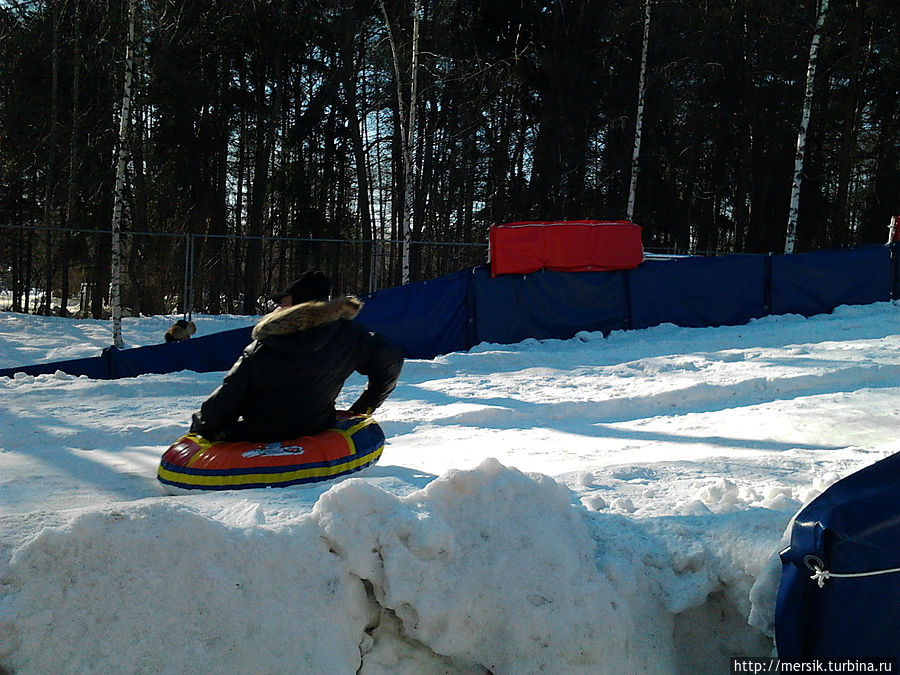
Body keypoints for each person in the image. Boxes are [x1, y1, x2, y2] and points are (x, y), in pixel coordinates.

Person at [189, 271, 403, 442]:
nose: (278, 307)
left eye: (283, 302)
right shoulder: (351, 336)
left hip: (257, 434)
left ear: (297, 303)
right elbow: (391, 359)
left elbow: (226, 400)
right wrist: (364, 407)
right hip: (318, 426)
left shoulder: (263, 346)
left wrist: (201, 428)